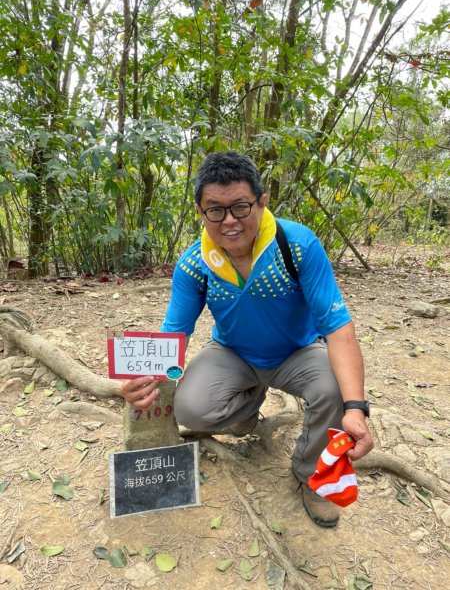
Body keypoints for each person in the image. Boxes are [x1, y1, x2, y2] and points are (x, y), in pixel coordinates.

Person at [122, 152, 373, 528]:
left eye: (240, 206)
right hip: (233, 353)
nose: (230, 221)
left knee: (335, 388)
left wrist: (356, 407)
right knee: (191, 408)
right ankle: (247, 412)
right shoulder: (195, 263)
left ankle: (310, 474)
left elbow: (338, 329)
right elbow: (174, 333)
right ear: (200, 211)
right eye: (215, 210)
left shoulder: (298, 245)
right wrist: (142, 380)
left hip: (298, 351)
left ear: (262, 200)